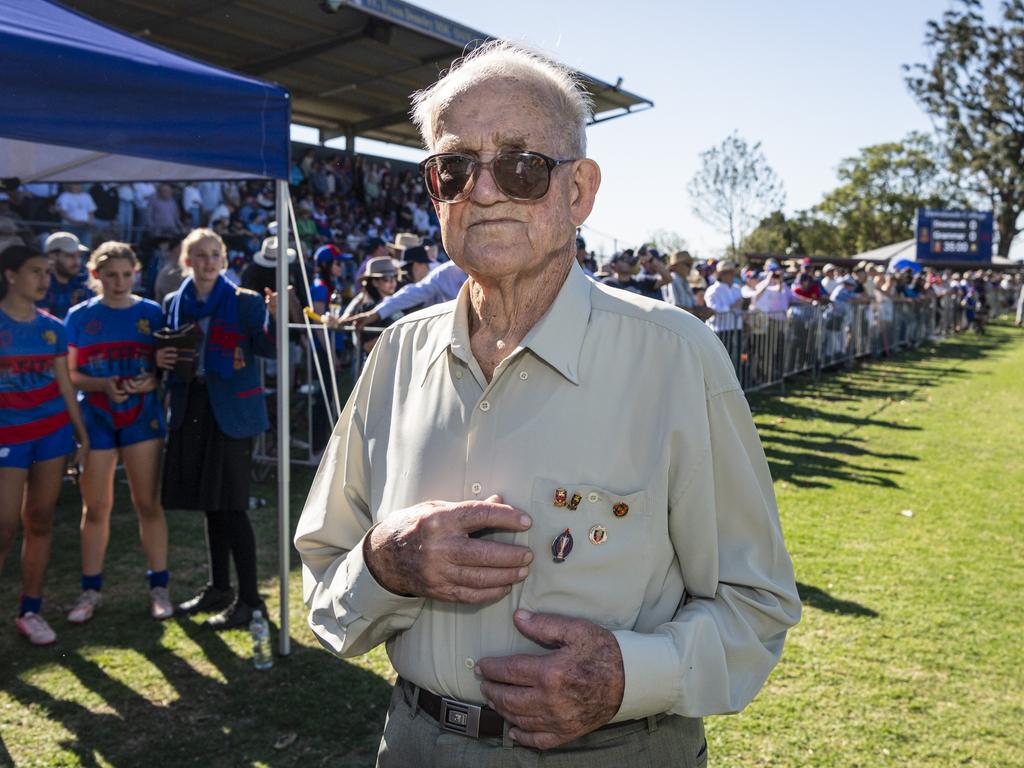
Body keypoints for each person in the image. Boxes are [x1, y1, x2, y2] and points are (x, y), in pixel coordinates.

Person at [295, 42, 799, 767]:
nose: (486, 190)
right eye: (455, 167)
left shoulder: (675, 356)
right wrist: (383, 565)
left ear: (579, 192)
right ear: (435, 190)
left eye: (523, 165)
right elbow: (324, 574)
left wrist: (626, 676)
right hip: (414, 743)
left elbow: (756, 604)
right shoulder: (398, 354)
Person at [158, 228, 280, 630]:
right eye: (200, 255)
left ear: (223, 260)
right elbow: (167, 346)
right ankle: (219, 588)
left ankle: (250, 600)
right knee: (210, 504)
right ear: (186, 260)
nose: (209, 261)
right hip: (192, 406)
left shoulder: (244, 302)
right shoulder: (175, 302)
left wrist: (278, 318)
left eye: (215, 254)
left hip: (233, 412)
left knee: (232, 505)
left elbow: (268, 349)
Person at [63, 242, 172, 624]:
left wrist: (151, 380)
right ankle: (90, 590)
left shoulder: (152, 312)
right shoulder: (78, 316)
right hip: (96, 420)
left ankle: (159, 587)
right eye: (111, 275)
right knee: (95, 508)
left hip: (143, 419)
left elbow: (163, 365)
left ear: (136, 273)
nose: (119, 282)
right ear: (96, 276)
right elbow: (71, 374)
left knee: (148, 504)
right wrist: (101, 384)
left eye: (126, 275)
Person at [0, 245, 89, 645]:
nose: (43, 280)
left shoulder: (53, 326)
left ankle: (30, 610)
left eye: (47, 273)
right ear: (10, 275)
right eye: (35, 271)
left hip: (51, 433)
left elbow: (65, 384)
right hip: (7, 436)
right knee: (3, 526)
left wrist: (81, 435)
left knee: (40, 519)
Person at [342, 256, 401, 356]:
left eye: (394, 277)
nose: (392, 282)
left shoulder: (399, 302)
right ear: (374, 282)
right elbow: (368, 346)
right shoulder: (368, 309)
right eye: (386, 278)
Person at [38, 232, 93, 319]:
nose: (77, 261)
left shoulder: (83, 283)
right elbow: (43, 323)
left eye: (79, 256)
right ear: (52, 257)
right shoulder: (40, 286)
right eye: (70, 256)